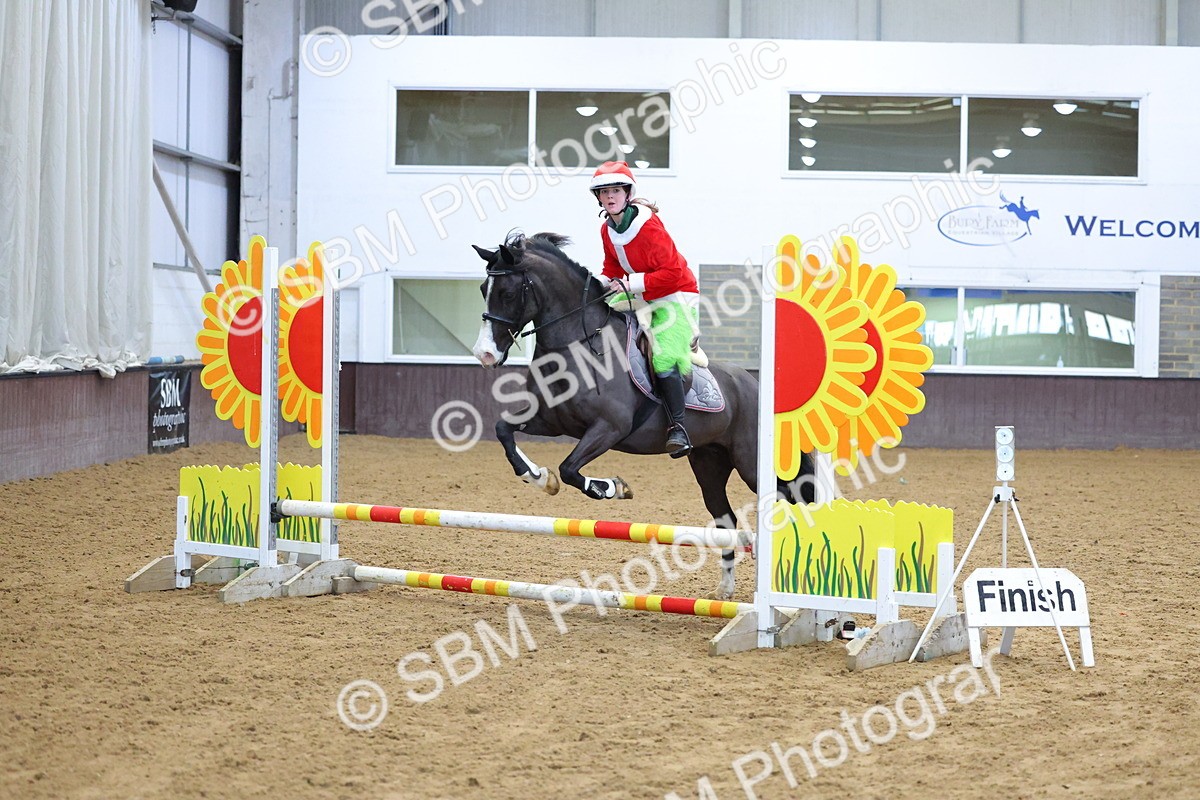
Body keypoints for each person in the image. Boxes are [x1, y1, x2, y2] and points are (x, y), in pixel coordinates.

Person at [589, 160, 700, 458]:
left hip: (677, 296)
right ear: (598, 198)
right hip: (641, 294)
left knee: (662, 358)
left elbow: (673, 274)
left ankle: (679, 428)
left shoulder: (648, 227)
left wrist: (629, 283)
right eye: (604, 192)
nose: (610, 197)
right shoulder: (607, 229)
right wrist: (598, 287)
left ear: (627, 193)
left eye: (615, 190)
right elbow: (612, 267)